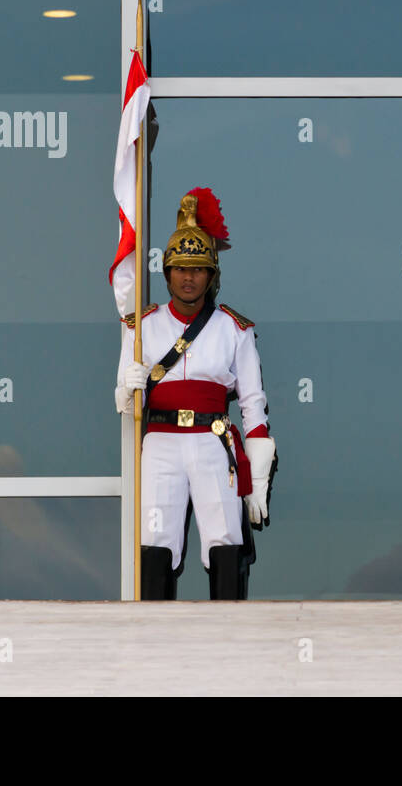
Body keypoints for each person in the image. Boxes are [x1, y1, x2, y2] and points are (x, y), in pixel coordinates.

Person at [115, 187, 277, 600]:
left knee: (225, 540)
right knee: (155, 538)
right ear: (166, 272)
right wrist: (127, 387)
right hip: (161, 443)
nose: (189, 277)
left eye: (199, 268)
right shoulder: (140, 328)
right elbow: (123, 402)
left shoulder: (235, 329)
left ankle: (229, 641)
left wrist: (257, 481)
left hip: (212, 442)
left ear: (212, 274)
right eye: (181, 268)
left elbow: (253, 408)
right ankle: (150, 642)